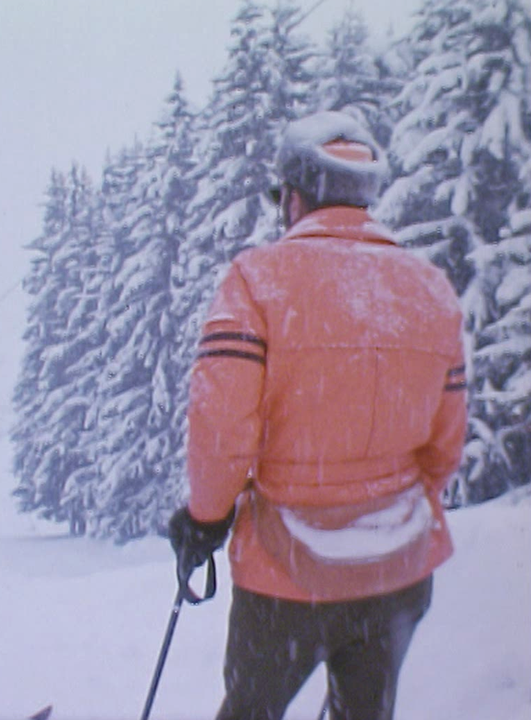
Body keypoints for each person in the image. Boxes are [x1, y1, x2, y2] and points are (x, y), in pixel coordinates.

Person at [168, 111, 467, 720]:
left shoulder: (256, 280)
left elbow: (222, 429)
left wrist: (207, 518)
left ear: (295, 198)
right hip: (398, 570)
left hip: (287, 576)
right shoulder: (432, 288)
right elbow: (445, 445)